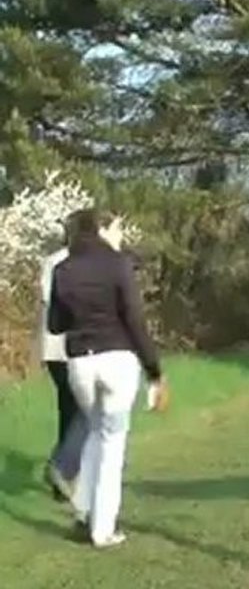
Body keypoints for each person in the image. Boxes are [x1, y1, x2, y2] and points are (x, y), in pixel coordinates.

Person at [47, 208, 166, 548]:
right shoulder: (118, 264)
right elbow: (134, 319)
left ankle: (84, 513)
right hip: (118, 361)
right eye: (115, 228)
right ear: (100, 229)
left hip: (81, 363)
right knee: (112, 444)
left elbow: (55, 325)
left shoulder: (62, 269)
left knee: (95, 434)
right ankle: (103, 530)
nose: (120, 234)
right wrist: (154, 370)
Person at [37, 230, 88, 502]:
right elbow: (54, 301)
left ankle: (64, 475)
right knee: (80, 410)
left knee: (69, 409)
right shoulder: (63, 263)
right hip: (67, 347)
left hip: (56, 348)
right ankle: (62, 466)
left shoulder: (54, 261)